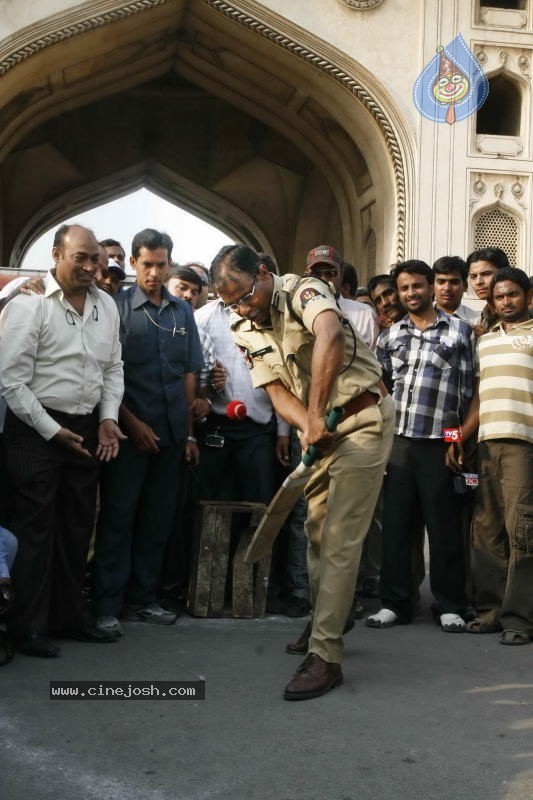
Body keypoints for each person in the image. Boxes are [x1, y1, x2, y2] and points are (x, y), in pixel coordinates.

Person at [211, 243, 395, 701]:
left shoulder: (304, 291)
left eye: (245, 295)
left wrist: (315, 416)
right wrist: (308, 425)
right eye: (230, 302)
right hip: (317, 434)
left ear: (264, 273)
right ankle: (326, 614)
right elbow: (275, 391)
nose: (241, 307)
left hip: (362, 417)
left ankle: (326, 655)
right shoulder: (242, 325)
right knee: (314, 531)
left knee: (339, 538)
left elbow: (330, 337)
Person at [0, 224, 125, 657]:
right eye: (81, 258)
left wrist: (108, 419)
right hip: (35, 429)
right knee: (34, 530)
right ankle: (27, 628)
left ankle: (71, 618)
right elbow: (12, 382)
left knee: (76, 526)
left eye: (97, 259)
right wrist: (53, 432)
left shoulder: (106, 305)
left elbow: (113, 368)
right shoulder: (30, 303)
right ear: (56, 255)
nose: (91, 267)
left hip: (87, 427)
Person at [91, 229, 204, 637]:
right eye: (147, 265)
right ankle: (107, 605)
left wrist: (189, 434)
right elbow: (104, 375)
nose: (154, 273)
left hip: (171, 437)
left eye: (161, 265)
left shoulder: (182, 313)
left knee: (158, 522)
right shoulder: (114, 308)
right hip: (126, 437)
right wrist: (130, 422)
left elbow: (189, 374)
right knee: (118, 520)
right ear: (135, 264)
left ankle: (144, 599)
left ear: (170, 263)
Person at [366, 260, 476, 633]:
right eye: (404, 288)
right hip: (398, 442)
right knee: (396, 527)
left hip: (438, 444)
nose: (410, 293)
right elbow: (379, 392)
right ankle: (395, 603)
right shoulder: (390, 336)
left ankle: (449, 605)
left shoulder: (461, 332)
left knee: (443, 528)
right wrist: (381, 444)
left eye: (417, 286)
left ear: (431, 287)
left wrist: (454, 439)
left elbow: (469, 394)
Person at [448, 267, 533, 644]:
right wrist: (459, 438)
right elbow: (478, 398)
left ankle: (519, 619)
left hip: (523, 445)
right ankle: (490, 610)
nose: (506, 302)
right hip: (485, 444)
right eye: (499, 297)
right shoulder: (486, 342)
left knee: (523, 531)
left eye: (513, 294)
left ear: (527, 296)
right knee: (485, 530)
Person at [304, 248, 379, 350]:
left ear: (341, 274)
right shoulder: (297, 312)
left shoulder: (364, 314)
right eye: (316, 274)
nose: (323, 279)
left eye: (330, 273)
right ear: (307, 276)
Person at [466, 247, 509, 330]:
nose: (478, 282)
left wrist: (486, 339)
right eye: (473, 276)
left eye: (486, 274)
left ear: (504, 272)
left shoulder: (519, 313)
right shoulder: (483, 316)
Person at [432, 256, 479, 324]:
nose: (447, 288)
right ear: (432, 286)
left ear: (465, 286)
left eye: (454, 282)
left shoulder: (477, 321)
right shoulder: (418, 317)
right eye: (441, 282)